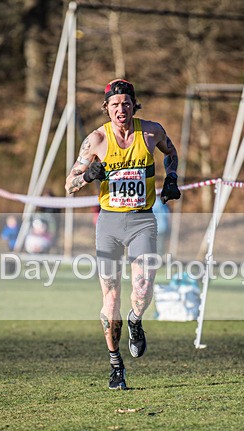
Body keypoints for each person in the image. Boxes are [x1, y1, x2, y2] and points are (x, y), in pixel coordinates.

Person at [64, 79, 181, 390]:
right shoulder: (96, 140)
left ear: (133, 105)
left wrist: (171, 177)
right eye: (115, 104)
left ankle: (135, 320)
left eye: (126, 103)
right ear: (107, 108)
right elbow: (69, 184)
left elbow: (171, 153)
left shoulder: (151, 132)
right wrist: (88, 175)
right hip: (109, 224)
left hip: (142, 220)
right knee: (111, 296)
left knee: (142, 289)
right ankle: (116, 364)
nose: (121, 109)